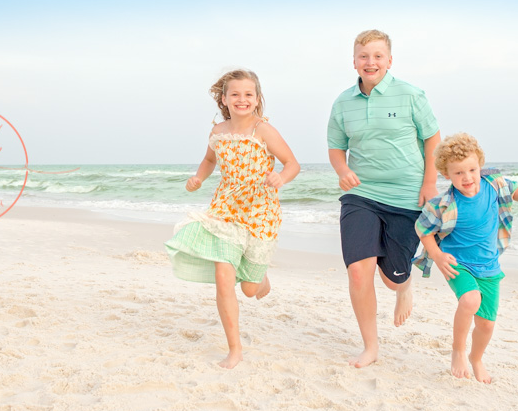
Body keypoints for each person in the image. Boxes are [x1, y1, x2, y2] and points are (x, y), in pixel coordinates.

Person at [165, 69, 300, 369]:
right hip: (225, 211)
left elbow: (292, 163)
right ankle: (234, 349)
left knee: (250, 290)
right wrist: (198, 178)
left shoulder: (263, 131)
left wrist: (281, 177)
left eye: (248, 94)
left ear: (257, 98)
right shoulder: (218, 132)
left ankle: (259, 277)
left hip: (260, 213)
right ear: (224, 99)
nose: (242, 99)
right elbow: (210, 160)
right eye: (235, 94)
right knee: (224, 279)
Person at [327, 29, 441, 368]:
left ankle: (404, 286)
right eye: (364, 56)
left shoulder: (411, 95)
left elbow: (433, 139)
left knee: (392, 280)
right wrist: (342, 170)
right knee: (359, 272)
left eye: (377, 56)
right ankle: (371, 346)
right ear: (354, 62)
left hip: (406, 196)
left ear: (389, 61)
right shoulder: (343, 102)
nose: (370, 62)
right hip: (361, 194)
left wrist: (429, 182)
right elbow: (336, 148)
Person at [414, 133, 518, 384]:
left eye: (472, 169)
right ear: (446, 175)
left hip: (489, 266)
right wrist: (438, 256)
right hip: (458, 264)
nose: (467, 177)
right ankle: (458, 350)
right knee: (469, 300)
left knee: (486, 325)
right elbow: (423, 230)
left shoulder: (493, 184)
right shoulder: (444, 204)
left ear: (480, 165)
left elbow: (515, 188)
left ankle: (476, 359)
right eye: (458, 173)